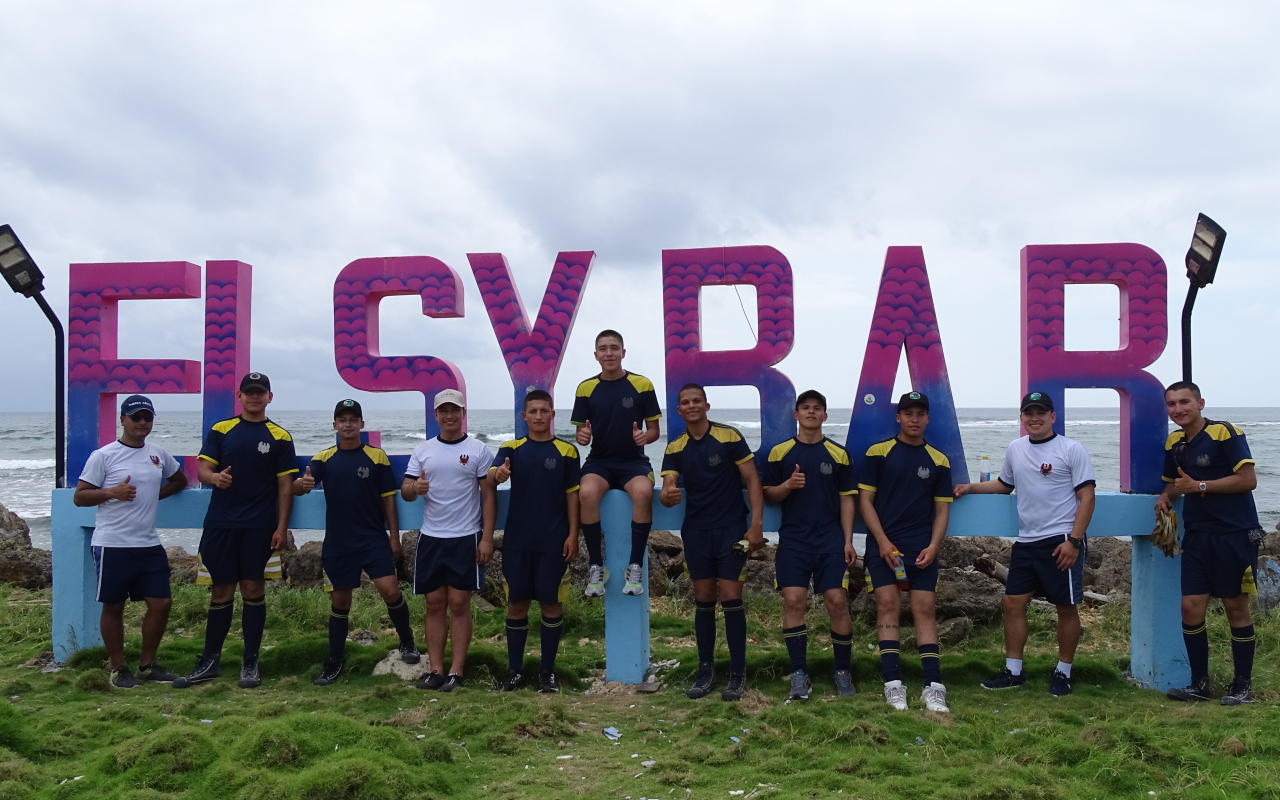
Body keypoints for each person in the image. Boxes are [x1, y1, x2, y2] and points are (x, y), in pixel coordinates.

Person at [954, 391, 1095, 697]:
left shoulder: (1072, 449)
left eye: (1040, 412)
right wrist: (970, 487)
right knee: (1012, 603)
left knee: (1065, 607)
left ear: (1052, 416)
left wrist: (1074, 541)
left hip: (1060, 541)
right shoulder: (1016, 449)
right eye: (1028, 413)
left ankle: (1063, 671)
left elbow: (1087, 497)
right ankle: (1013, 671)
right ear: (1021, 418)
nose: (1034, 418)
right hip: (1027, 541)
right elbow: (1005, 485)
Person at [175, 373, 297, 689]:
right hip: (221, 523)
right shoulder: (221, 430)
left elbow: (286, 486)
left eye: (261, 393)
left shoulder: (280, 436)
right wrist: (213, 479)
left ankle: (250, 662)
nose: (255, 397)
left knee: (254, 590)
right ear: (239, 396)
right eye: (249, 392)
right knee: (221, 591)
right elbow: (203, 469)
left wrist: (281, 526)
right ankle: (210, 661)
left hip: (260, 525)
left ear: (270, 397)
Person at [293, 399, 421, 686]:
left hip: (372, 538)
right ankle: (334, 661)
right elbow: (301, 485)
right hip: (339, 541)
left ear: (362, 424)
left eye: (353, 419)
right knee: (340, 602)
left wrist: (394, 537)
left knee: (390, 591)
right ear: (335, 425)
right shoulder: (324, 458)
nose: (348, 424)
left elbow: (389, 499)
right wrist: (300, 486)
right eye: (342, 419)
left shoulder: (376, 456)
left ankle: (407, 642)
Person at [1158, 381, 1263, 706]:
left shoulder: (1226, 433)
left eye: (1184, 402)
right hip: (1198, 536)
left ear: (1200, 403)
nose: (1178, 409)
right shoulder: (1173, 441)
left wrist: (1200, 485)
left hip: (1235, 534)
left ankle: (1242, 686)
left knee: (1235, 608)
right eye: (1172, 404)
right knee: (1190, 608)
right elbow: (1177, 485)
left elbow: (1248, 480)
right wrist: (1165, 496)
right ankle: (1199, 684)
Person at [73, 395, 188, 688]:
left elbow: (179, 481)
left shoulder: (158, 453)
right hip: (112, 543)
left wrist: (153, 497)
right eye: (135, 417)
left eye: (147, 418)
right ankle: (119, 668)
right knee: (113, 606)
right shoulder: (104, 455)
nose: (141, 423)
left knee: (161, 603)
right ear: (122, 419)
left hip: (148, 543)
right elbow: (80, 496)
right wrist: (112, 493)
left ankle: (148, 665)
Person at [659, 383, 765, 702]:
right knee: (703, 600)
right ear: (679, 411)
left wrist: (756, 526)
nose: (692, 406)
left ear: (706, 406)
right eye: (685, 403)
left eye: (697, 401)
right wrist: (666, 495)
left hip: (732, 529)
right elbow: (667, 487)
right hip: (696, 531)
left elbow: (752, 480)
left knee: (731, 599)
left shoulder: (729, 436)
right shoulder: (675, 447)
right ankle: (706, 672)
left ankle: (737, 674)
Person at [859, 391, 954, 713]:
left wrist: (934, 545)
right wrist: (883, 542)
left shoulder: (939, 460)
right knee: (887, 605)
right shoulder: (878, 453)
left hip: (921, 548)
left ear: (927, 418)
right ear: (898, 417)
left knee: (924, 609)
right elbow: (865, 502)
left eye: (920, 414)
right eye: (908, 413)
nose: (914, 419)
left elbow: (942, 511)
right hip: (883, 546)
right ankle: (892, 684)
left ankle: (933, 685)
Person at [763, 389, 858, 700]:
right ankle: (799, 672)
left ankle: (842, 670)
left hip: (830, 541)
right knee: (793, 602)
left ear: (825, 416)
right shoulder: (780, 453)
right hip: (793, 540)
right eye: (805, 408)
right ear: (796, 415)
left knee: (837, 602)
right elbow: (768, 495)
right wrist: (788, 486)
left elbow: (847, 501)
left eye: (817, 408)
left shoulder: (839, 454)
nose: (811, 413)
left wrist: (848, 540)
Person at [401, 389, 497, 692]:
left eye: (455, 410)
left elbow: (488, 494)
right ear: (436, 415)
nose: (449, 416)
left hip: (466, 536)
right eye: (443, 410)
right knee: (433, 603)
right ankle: (435, 670)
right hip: (431, 536)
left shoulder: (478, 449)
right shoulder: (423, 450)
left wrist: (487, 538)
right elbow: (405, 490)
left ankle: (456, 670)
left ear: (463, 413)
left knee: (458, 603)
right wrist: (416, 487)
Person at [488, 390, 581, 694]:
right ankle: (515, 671)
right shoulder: (512, 448)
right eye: (533, 411)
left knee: (551, 605)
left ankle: (547, 673)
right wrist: (498, 473)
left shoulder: (567, 452)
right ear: (524, 416)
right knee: (516, 605)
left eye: (544, 410)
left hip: (554, 541)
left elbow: (572, 496)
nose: (539, 416)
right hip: (517, 541)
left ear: (553, 415)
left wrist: (572, 534)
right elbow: (492, 472)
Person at [571, 330, 662, 597]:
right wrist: (583, 436)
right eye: (603, 349)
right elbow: (580, 434)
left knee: (644, 493)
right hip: (599, 462)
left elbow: (655, 430)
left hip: (634, 463)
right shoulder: (585, 388)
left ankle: (634, 566)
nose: (608, 353)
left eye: (614, 348)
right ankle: (596, 566)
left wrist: (646, 436)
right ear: (596, 355)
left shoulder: (642, 384)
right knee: (585, 493)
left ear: (623, 352)